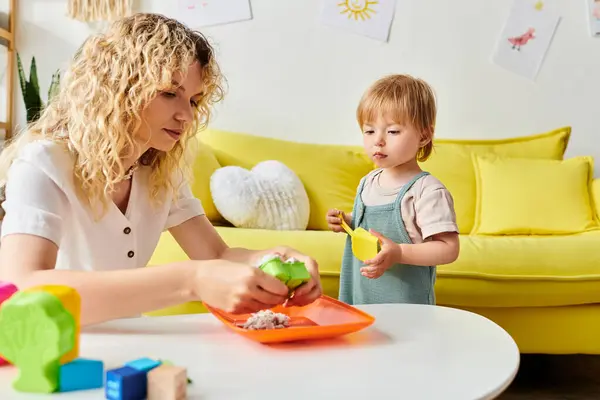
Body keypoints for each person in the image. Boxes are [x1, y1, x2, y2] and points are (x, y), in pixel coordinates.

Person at [0, 13, 321, 326]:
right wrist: (189, 279)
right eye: (169, 94)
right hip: (53, 354)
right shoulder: (44, 163)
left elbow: (216, 254)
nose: (186, 115)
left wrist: (274, 258)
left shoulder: (159, 172)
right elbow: (21, 287)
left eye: (194, 101)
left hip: (133, 341)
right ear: (118, 89)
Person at [326, 74, 459, 305]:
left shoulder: (426, 191)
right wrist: (347, 221)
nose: (378, 140)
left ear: (424, 135)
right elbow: (369, 229)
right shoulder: (367, 182)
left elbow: (448, 248)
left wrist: (399, 252)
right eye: (369, 131)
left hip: (406, 305)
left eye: (393, 131)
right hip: (361, 296)